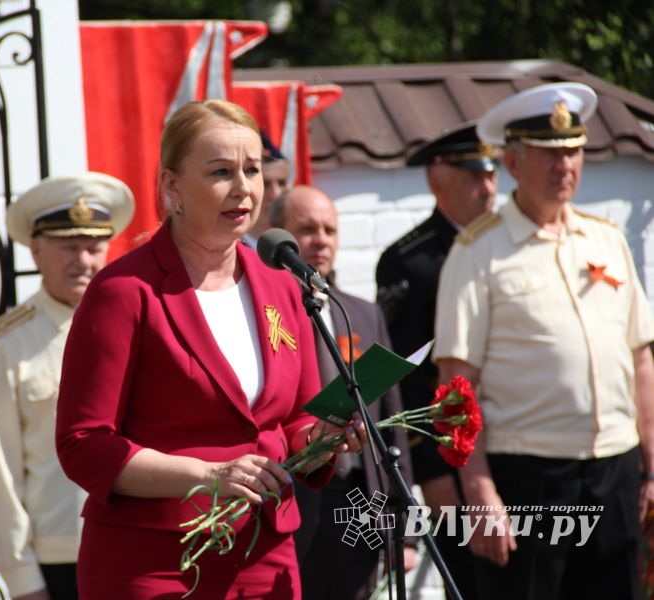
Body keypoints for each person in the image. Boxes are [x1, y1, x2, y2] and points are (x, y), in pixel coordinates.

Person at [55, 99, 365, 599]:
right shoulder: (123, 291)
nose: (243, 187)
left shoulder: (282, 284)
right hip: (156, 562)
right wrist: (208, 476)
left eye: (252, 169)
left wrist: (325, 436)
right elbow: (83, 445)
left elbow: (293, 426)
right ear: (171, 185)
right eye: (221, 171)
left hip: (265, 557)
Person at [434, 82, 654, 599]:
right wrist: (479, 490)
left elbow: (641, 360)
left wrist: (651, 469)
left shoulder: (606, 239)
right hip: (527, 478)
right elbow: (454, 386)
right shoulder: (477, 252)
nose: (565, 167)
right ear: (512, 163)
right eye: (550, 155)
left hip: (615, 471)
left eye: (574, 153)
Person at [0, 172, 135, 600]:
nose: (83, 260)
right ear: (36, 250)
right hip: (63, 557)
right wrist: (22, 579)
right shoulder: (7, 342)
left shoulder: (139, 323)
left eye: (94, 246)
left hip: (138, 543)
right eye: (69, 247)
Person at [272, 185, 417, 600]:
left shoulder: (361, 312)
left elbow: (392, 425)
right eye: (307, 228)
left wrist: (404, 531)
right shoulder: (264, 310)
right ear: (279, 235)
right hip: (290, 498)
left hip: (356, 502)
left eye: (330, 230)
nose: (321, 240)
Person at [375, 122, 498, 599]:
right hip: (451, 460)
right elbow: (403, 377)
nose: (486, 188)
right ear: (436, 178)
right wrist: (431, 471)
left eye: (489, 175)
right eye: (472, 176)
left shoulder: (506, 249)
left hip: (508, 448)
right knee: (470, 583)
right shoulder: (411, 261)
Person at [245, 129, 291, 243]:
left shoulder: (303, 251)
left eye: (281, 183)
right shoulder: (226, 252)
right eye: (265, 184)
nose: (275, 194)